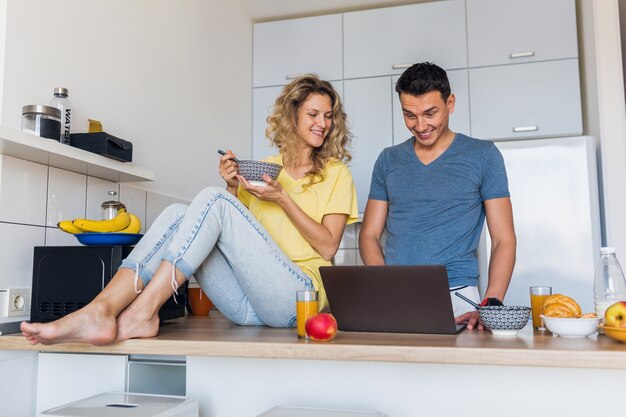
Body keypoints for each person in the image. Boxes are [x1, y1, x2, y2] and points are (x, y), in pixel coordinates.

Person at [21, 74, 358, 345]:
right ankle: (101, 309)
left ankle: (142, 310)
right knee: (178, 215)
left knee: (212, 200)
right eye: (313, 114)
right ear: (293, 117)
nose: (322, 123)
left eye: (328, 116)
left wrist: (283, 197)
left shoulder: (336, 174)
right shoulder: (265, 169)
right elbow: (239, 238)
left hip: (297, 300)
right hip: (246, 306)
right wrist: (232, 187)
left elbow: (328, 246)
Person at [358, 62, 516, 331]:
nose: (421, 125)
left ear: (450, 103)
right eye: (410, 115)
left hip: (458, 298)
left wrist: (492, 303)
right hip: (396, 295)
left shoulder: (483, 156)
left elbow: (503, 239)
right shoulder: (388, 160)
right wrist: (384, 287)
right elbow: (369, 235)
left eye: (430, 113)